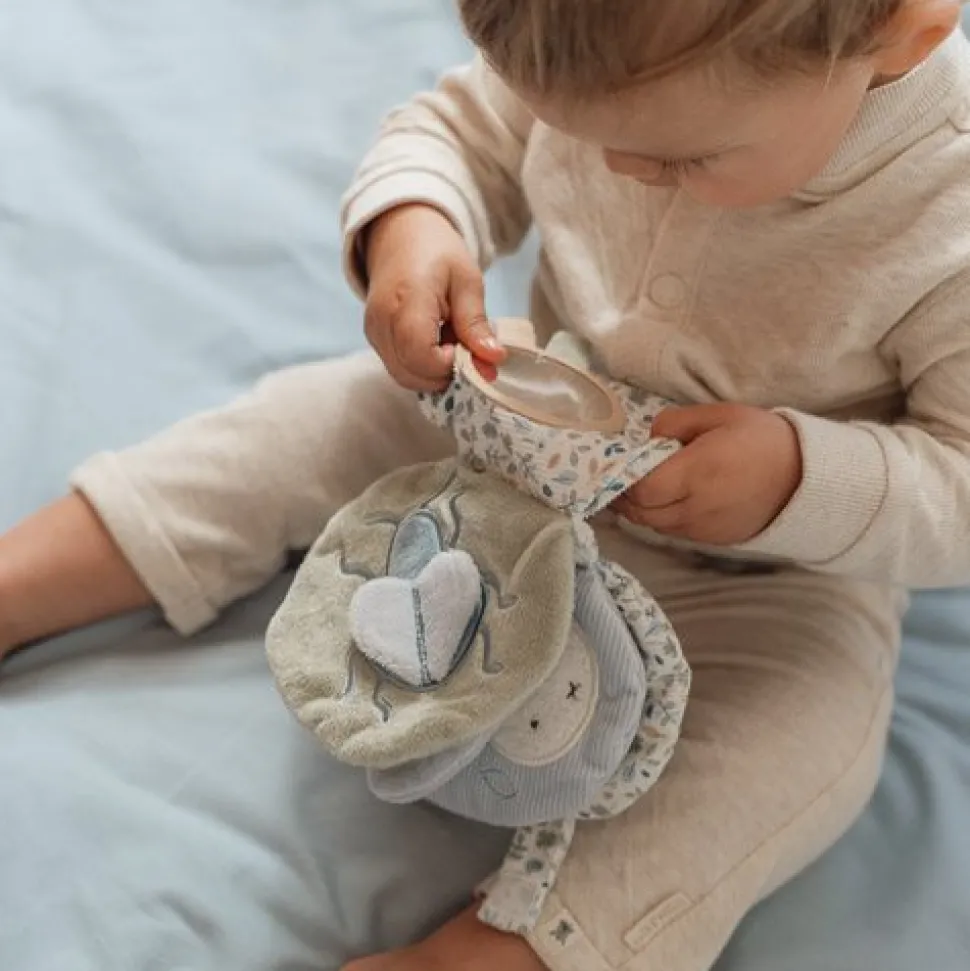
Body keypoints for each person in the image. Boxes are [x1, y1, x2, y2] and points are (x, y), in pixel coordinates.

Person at [2, 0, 969, 968]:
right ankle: (24, 581)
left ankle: (506, 949)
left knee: (799, 746)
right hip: (515, 429)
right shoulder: (596, 48)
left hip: (774, 579)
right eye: (574, 130)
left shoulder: (948, 213)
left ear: (905, 28)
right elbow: (459, 134)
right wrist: (413, 228)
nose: (616, 166)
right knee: (311, 423)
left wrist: (797, 478)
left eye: (682, 159)